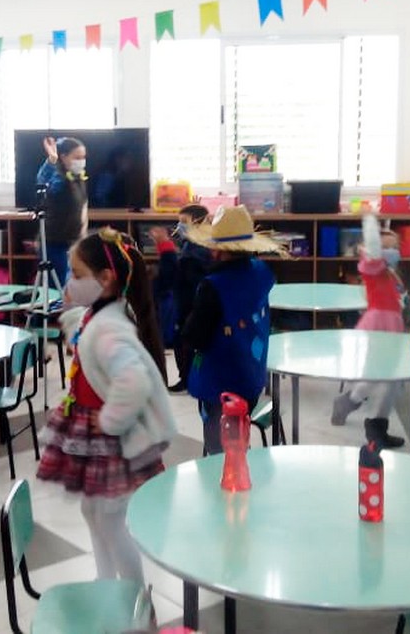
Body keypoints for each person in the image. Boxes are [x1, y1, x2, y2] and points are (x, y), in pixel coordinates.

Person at [37, 229, 176, 584]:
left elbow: (134, 381)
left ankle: (132, 598)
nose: (69, 280)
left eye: (76, 274)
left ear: (106, 278)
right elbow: (88, 337)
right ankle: (106, 584)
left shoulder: (110, 329)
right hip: (96, 434)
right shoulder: (99, 316)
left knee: (111, 520)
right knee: (93, 510)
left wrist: (111, 419)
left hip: (112, 441)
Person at [182, 206, 282, 454]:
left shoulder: (214, 286)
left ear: (218, 249)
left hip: (219, 384)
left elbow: (195, 336)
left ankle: (226, 474)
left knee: (220, 450)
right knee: (238, 437)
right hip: (250, 375)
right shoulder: (261, 272)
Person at [330, 212, 408, 448]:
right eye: (388, 247)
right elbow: (373, 247)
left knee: (391, 379)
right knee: (379, 375)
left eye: (395, 247)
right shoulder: (372, 266)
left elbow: (399, 298)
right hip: (378, 327)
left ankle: (375, 424)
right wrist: (371, 221)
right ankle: (354, 406)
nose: (393, 251)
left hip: (391, 328)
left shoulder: (390, 272)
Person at [150, 203, 212, 392]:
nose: (180, 226)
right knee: (187, 343)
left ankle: (187, 379)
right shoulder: (196, 244)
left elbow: (173, 275)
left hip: (189, 304)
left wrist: (166, 249)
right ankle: (189, 377)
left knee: (184, 343)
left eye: (184, 221)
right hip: (191, 302)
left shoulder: (196, 251)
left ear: (198, 223)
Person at [38, 136, 89, 286]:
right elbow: (42, 182)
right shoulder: (58, 179)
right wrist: (52, 160)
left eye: (83, 157)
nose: (81, 161)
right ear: (64, 157)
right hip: (55, 243)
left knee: (72, 286)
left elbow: (83, 206)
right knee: (57, 287)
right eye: (77, 157)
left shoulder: (79, 178)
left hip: (75, 242)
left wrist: (83, 234)